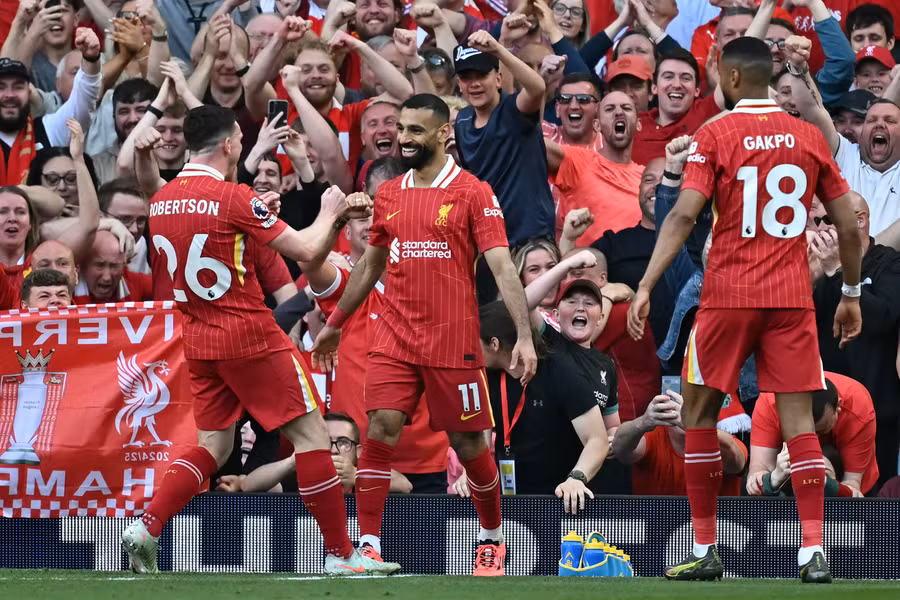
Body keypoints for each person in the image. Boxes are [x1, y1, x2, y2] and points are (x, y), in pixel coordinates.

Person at [120, 104, 396, 576]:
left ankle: (147, 527)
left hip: (200, 340)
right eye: (239, 145)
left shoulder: (164, 200)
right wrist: (331, 214)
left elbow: (161, 195)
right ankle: (341, 554)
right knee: (311, 437)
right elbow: (309, 250)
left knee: (213, 446)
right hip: (250, 334)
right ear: (229, 144)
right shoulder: (233, 197)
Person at [627, 37, 863, 583]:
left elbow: (684, 217)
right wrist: (849, 294)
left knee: (698, 416)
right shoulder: (807, 136)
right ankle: (811, 553)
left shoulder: (716, 133)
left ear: (731, 80)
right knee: (800, 425)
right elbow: (848, 223)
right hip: (789, 299)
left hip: (727, 296)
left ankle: (707, 546)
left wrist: (646, 283)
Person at [311, 94, 538, 576]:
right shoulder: (389, 193)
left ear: (443, 132)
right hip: (393, 336)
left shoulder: (474, 192)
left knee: (470, 444)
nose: (405, 137)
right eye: (401, 128)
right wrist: (334, 326)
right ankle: (366, 545)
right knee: (380, 431)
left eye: (416, 130)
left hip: (452, 340)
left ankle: (493, 538)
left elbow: (501, 267)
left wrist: (523, 334)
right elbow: (371, 266)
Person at [476, 298, 609, 507]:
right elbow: (479, 439)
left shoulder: (562, 371)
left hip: (561, 499)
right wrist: (471, 476)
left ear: (494, 344)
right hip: (510, 500)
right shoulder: (486, 376)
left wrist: (577, 478)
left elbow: (597, 440)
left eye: (475, 342)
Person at [809, 191, 900, 487]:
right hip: (822, 413)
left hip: (877, 414)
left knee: (872, 506)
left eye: (828, 220)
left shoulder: (891, 264)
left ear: (858, 221)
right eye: (817, 221)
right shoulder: (815, 266)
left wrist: (838, 271)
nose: (820, 229)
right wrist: (810, 274)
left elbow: (881, 316)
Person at [453, 34, 553, 247]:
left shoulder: (514, 109)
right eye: (467, 77)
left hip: (532, 235)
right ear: (458, 84)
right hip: (490, 238)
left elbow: (538, 88)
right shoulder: (461, 121)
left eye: (481, 75)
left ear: (498, 78)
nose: (475, 84)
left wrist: (498, 49)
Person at [748, 374, 879, 497]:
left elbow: (852, 486)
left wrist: (827, 482)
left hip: (842, 471)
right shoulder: (771, 403)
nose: (812, 442)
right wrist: (774, 477)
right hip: (788, 481)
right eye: (800, 432)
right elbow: (758, 475)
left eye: (820, 431)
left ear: (838, 407)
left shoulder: (857, 406)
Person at [545, 91, 644, 243]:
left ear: (638, 123)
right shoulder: (578, 161)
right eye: (610, 109)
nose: (618, 112)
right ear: (597, 125)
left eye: (626, 108)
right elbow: (535, 145)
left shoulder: (647, 178)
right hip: (589, 264)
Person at [612, 391, 747, 496]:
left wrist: (696, 427)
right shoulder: (654, 437)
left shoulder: (723, 439)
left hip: (716, 527)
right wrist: (644, 422)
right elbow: (620, 449)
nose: (684, 412)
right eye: (679, 405)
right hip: (659, 526)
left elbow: (737, 463)